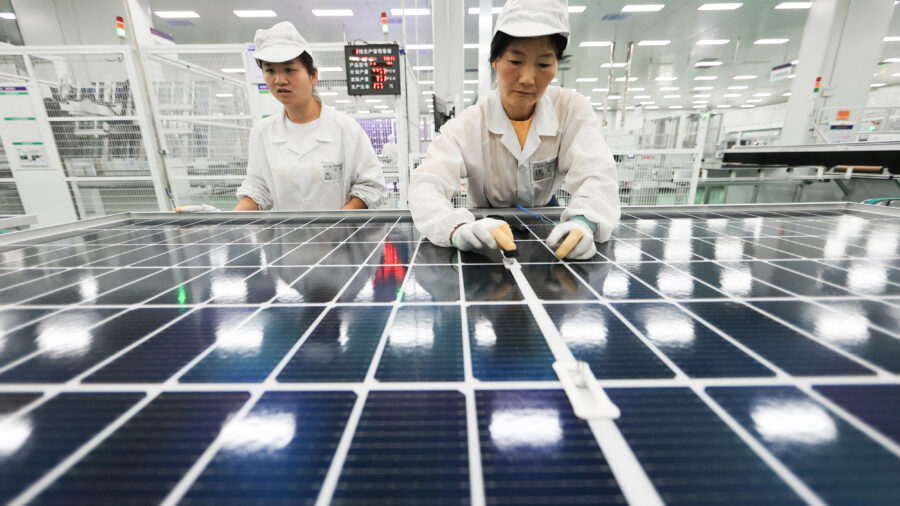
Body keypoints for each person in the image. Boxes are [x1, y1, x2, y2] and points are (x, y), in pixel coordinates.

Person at [407, 0, 620, 260]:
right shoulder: (468, 125)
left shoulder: (571, 110)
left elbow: (598, 174)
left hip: (546, 219)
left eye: (543, 64)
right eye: (516, 61)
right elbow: (426, 185)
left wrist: (585, 221)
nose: (528, 79)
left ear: (556, 65)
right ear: (495, 61)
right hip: (487, 229)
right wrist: (455, 228)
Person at [178, 22, 386, 213]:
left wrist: (337, 223)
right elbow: (258, 190)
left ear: (313, 75)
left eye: (290, 69)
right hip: (286, 240)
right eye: (270, 70)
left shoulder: (346, 129)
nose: (279, 80)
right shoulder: (262, 133)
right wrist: (227, 220)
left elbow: (371, 186)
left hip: (341, 239)